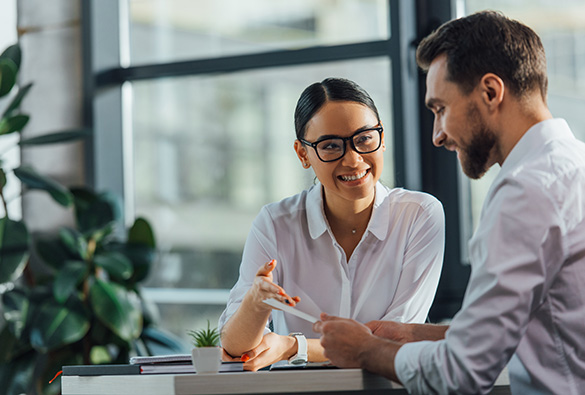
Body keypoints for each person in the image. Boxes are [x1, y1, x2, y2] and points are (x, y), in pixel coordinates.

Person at [313, 11, 585, 394]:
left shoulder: (525, 192)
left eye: (440, 109)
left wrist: (365, 350)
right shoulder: (574, 166)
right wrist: (414, 334)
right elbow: (547, 324)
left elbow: (461, 372)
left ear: (491, 92)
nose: (437, 136)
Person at [218, 77, 445, 371]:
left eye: (364, 139)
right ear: (303, 154)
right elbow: (234, 347)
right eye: (331, 146)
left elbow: (397, 337)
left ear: (382, 137)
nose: (353, 160)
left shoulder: (420, 215)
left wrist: (293, 346)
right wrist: (256, 303)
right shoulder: (275, 223)